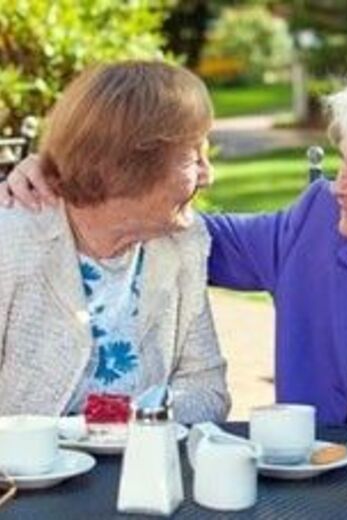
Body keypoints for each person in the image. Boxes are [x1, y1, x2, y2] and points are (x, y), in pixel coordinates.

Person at [4, 60, 347, 436]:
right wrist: (59, 176)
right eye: (343, 162)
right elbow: (139, 219)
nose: (339, 185)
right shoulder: (317, 225)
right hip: (328, 488)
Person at [0, 61, 230, 423]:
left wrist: (125, 420)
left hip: (139, 470)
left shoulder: (184, 243)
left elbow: (207, 389)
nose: (208, 175)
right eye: (192, 156)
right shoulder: (12, 242)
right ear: (130, 165)